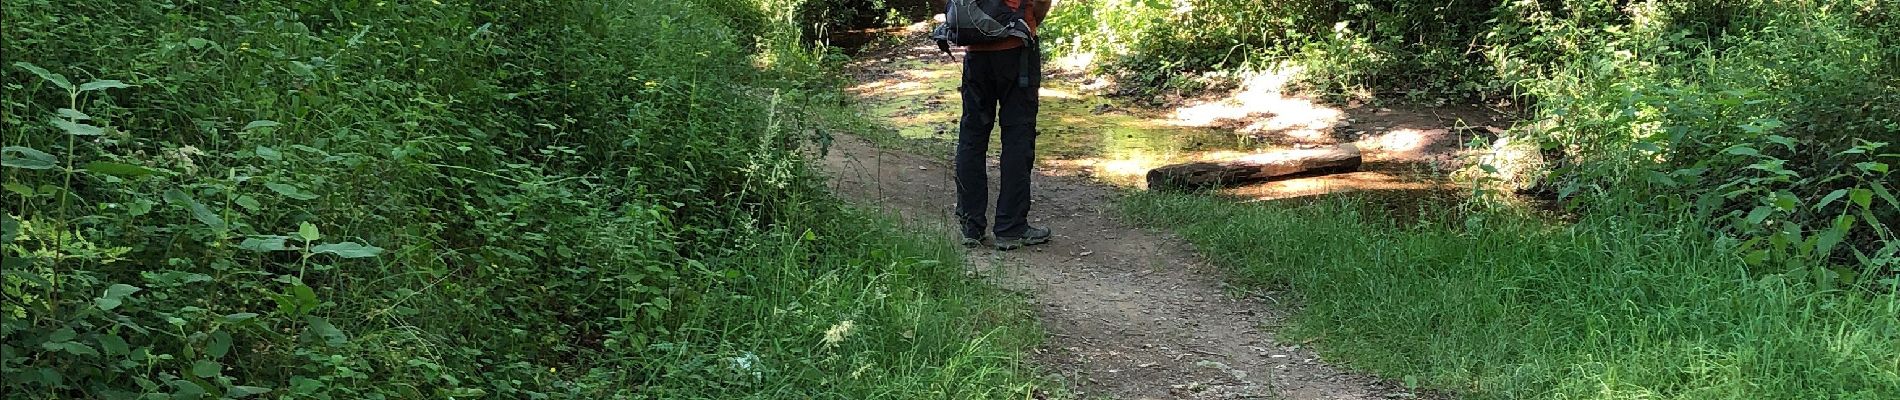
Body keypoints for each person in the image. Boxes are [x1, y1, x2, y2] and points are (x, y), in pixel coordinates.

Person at [953, 0, 1052, 250]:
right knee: (1018, 135)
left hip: (975, 48)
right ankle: (1010, 227)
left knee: (971, 137)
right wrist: (1026, 22)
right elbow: (1040, 4)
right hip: (1016, 48)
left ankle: (970, 225)